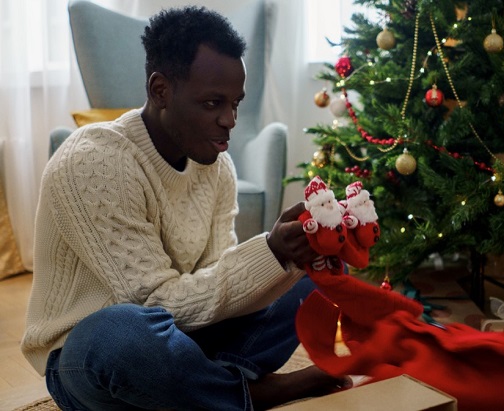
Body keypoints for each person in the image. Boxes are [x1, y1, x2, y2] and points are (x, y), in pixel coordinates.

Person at [22, 6, 347, 410]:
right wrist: (270, 250)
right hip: (88, 359)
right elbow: (153, 306)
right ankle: (256, 393)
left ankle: (203, 391)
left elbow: (213, 289)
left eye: (235, 103)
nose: (229, 120)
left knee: (311, 277)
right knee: (123, 334)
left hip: (185, 335)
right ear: (160, 91)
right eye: (212, 103)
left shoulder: (216, 165)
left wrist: (291, 256)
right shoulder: (94, 161)